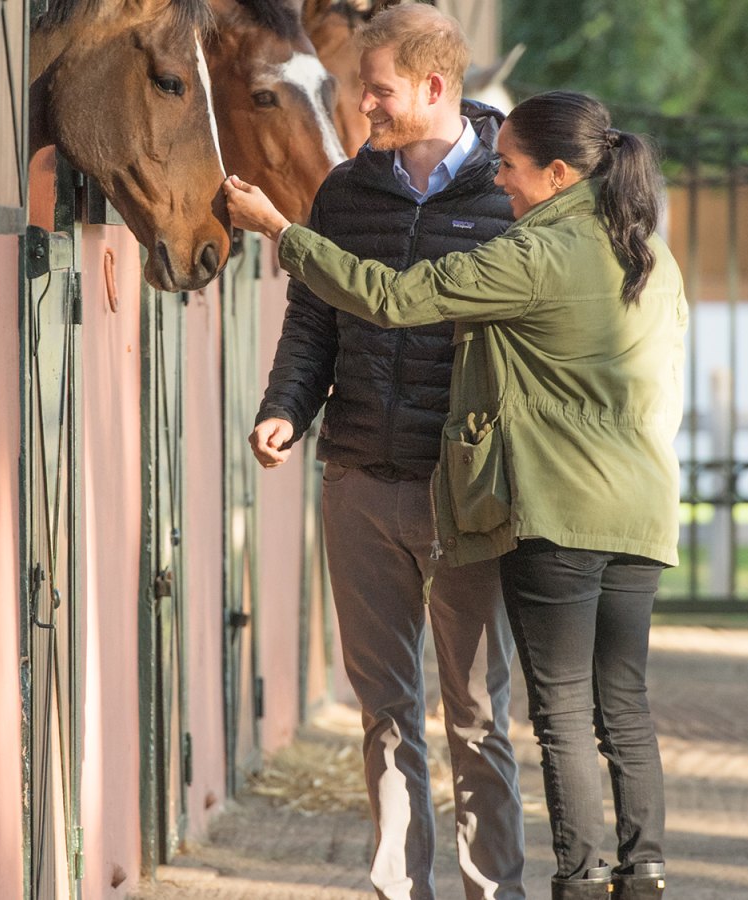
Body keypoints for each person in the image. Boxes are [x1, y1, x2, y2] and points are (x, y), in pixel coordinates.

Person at [224, 89, 684, 900]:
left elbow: (396, 299)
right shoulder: (649, 252)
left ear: (557, 173)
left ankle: (578, 883)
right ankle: (641, 878)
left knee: (564, 716)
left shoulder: (533, 254)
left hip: (560, 515)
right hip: (641, 510)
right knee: (626, 709)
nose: (498, 179)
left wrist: (279, 232)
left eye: (508, 166)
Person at [249, 5, 526, 899]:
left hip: (467, 495)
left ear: (435, 87)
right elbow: (313, 319)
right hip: (360, 479)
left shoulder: (510, 197)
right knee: (386, 714)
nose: (361, 107)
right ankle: (399, 887)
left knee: (478, 717)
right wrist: (286, 408)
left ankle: (494, 888)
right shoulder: (343, 191)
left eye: (377, 92)